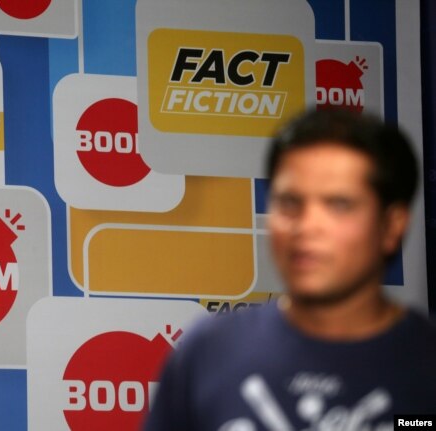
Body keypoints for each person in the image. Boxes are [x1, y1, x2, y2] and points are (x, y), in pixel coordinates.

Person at [144, 109, 436, 431]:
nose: (306, 227)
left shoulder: (425, 366)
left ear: (392, 226)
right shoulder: (208, 352)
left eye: (338, 205)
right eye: (289, 203)